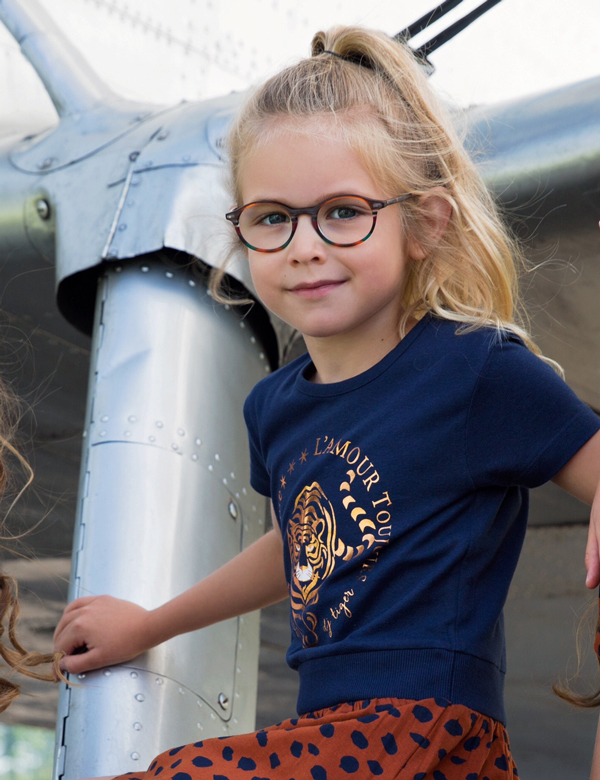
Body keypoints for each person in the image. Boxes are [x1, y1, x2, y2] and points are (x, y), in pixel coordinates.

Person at [52, 25, 600, 780]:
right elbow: (302, 550)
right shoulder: (275, 406)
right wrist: (149, 625)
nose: (304, 245)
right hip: (328, 729)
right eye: (272, 218)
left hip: (426, 728)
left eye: (342, 211)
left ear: (424, 225)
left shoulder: (475, 369)